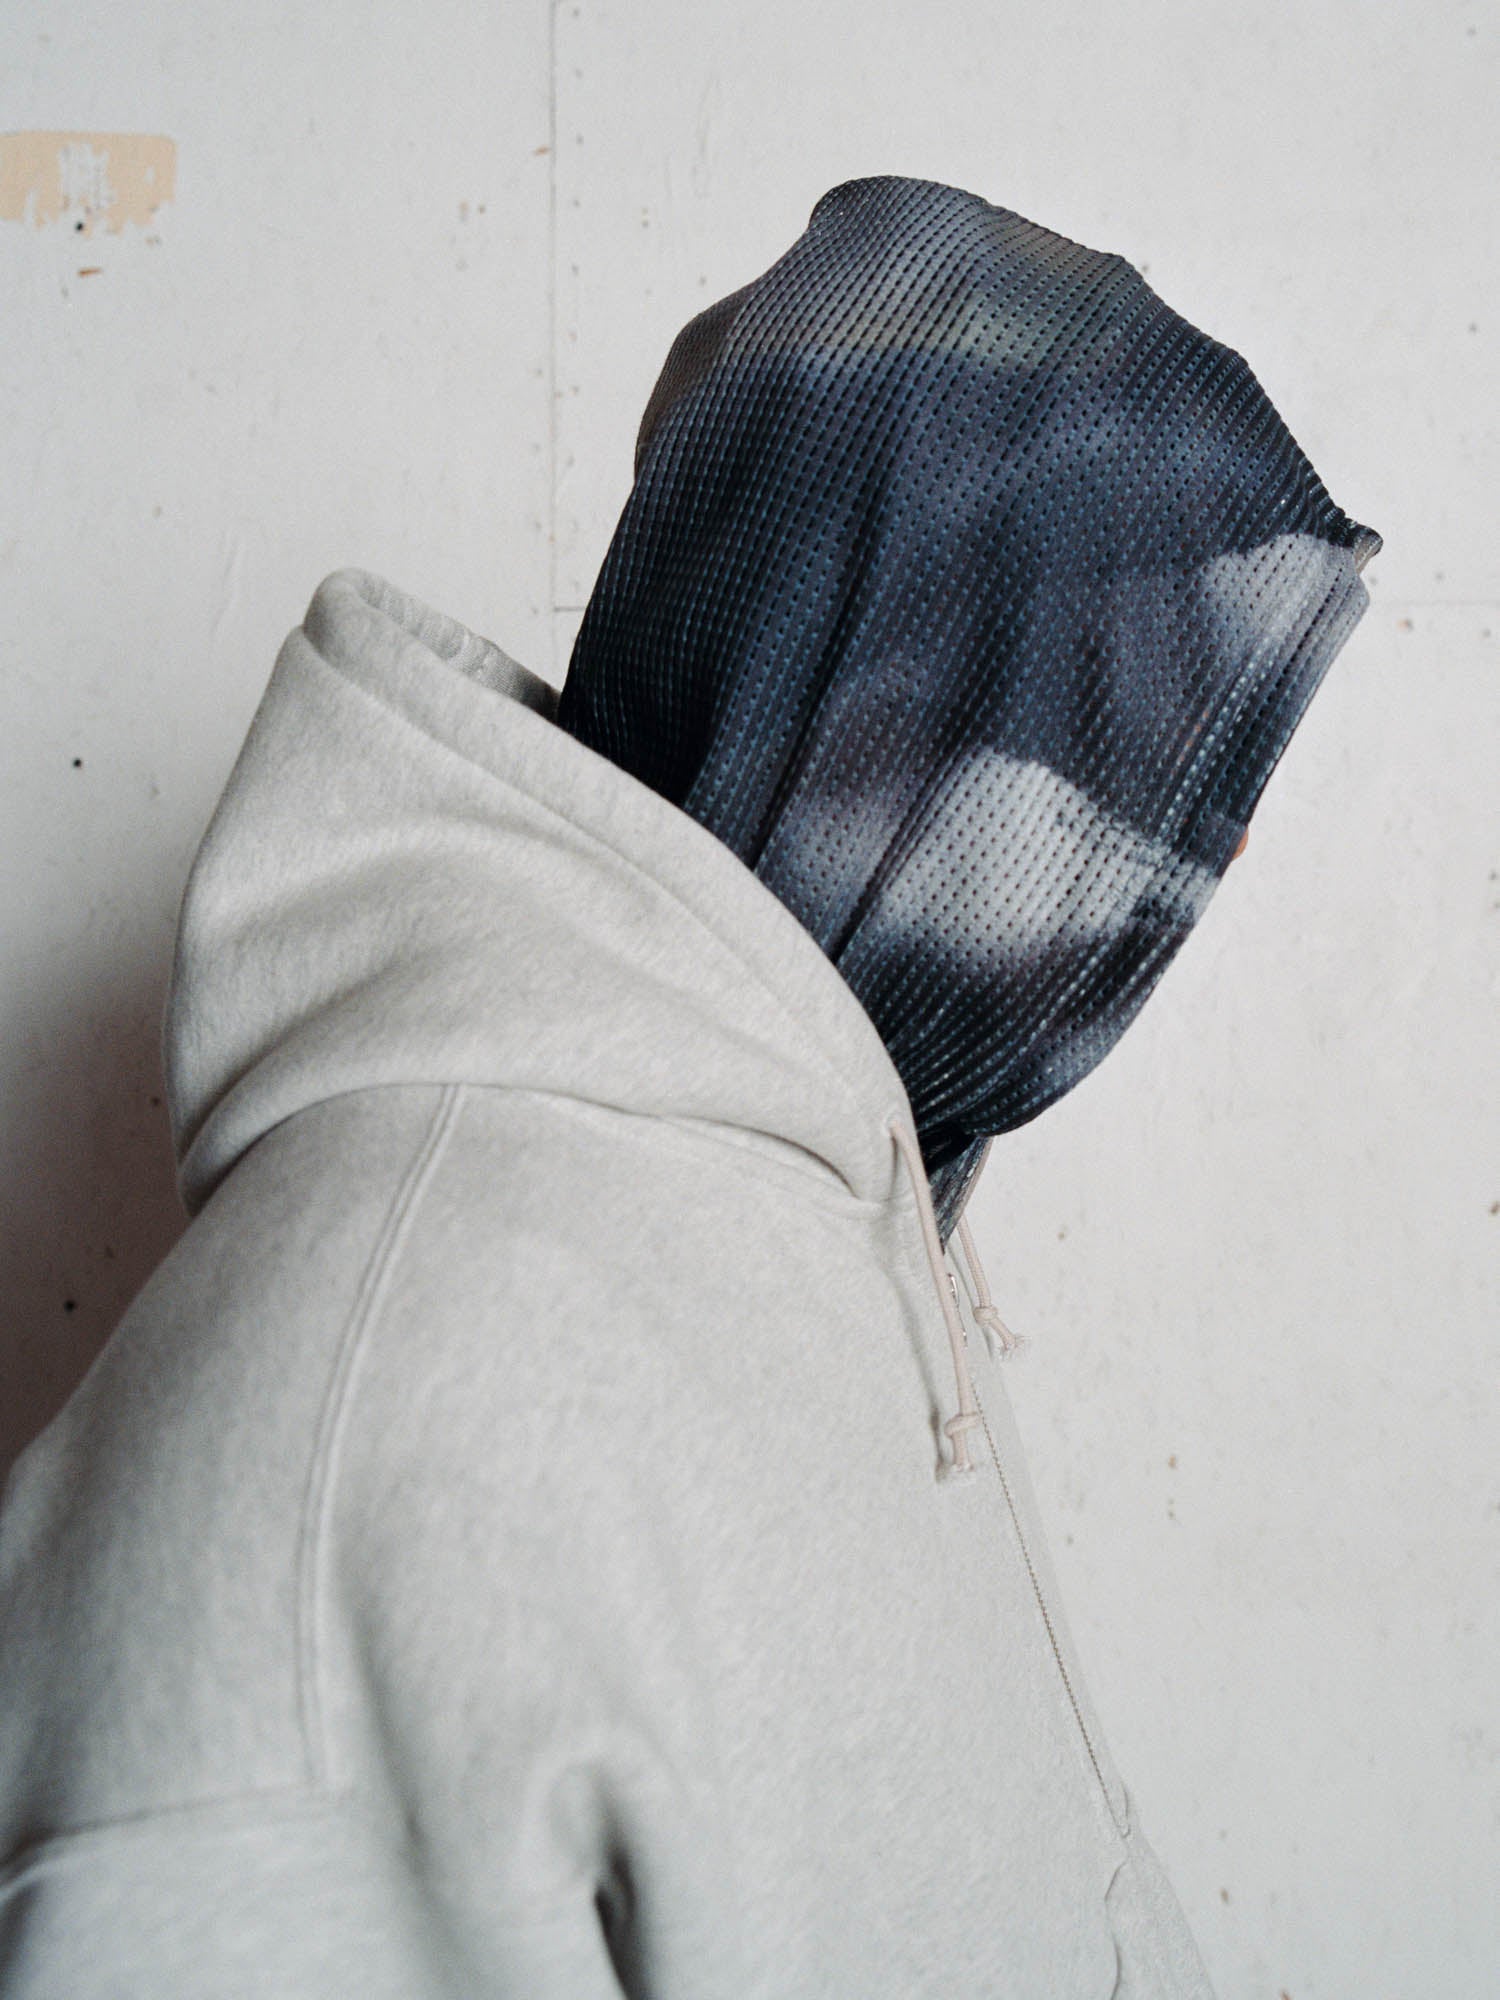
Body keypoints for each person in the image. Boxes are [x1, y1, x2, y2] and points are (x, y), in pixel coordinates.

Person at [0, 176, 1378, 1996]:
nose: (1193, 862)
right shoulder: (383, 1409)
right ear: (861, 707)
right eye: (1108, 748)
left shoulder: (831, 1212)